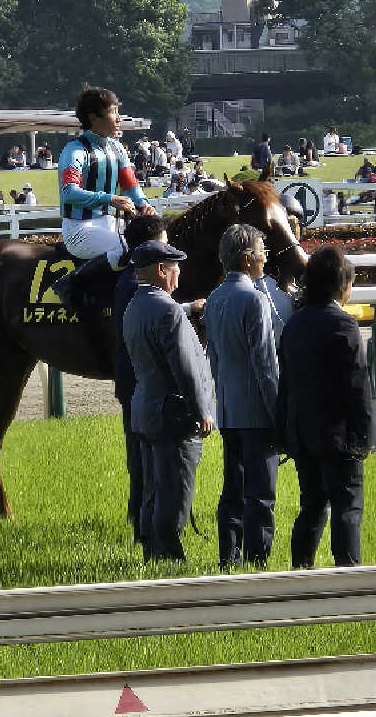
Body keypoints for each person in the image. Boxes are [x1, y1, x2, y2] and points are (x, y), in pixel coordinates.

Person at [277, 246, 376, 567]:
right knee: (347, 508)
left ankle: (300, 570)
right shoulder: (344, 325)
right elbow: (358, 386)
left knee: (311, 506)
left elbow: (286, 384)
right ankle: (347, 575)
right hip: (339, 437)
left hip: (303, 434)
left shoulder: (294, 324)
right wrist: (366, 436)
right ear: (340, 285)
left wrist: (284, 431)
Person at [114, 215, 206, 544]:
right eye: (175, 266)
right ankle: (167, 557)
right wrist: (201, 410)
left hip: (146, 408)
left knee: (153, 489)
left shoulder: (134, 305)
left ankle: (152, 550)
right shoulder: (168, 311)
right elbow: (183, 367)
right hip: (171, 413)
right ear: (161, 271)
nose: (179, 272)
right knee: (175, 493)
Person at [204, 224, 280, 568]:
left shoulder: (215, 298)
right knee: (260, 493)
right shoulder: (254, 299)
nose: (266, 258)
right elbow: (266, 365)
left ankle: (228, 556)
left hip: (229, 409)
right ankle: (257, 561)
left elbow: (215, 360)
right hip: (257, 412)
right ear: (248, 258)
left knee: (232, 489)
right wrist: (278, 412)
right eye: (262, 252)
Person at [54, 86, 154, 310]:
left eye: (118, 111)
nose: (119, 118)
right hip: (79, 229)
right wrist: (109, 199)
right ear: (93, 117)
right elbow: (69, 192)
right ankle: (71, 283)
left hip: (109, 224)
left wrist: (145, 205)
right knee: (129, 251)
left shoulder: (117, 148)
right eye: (113, 112)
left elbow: (131, 187)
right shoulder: (74, 150)